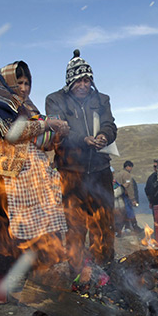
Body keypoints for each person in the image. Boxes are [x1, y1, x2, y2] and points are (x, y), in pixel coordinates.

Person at [0, 60, 69, 273]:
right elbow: (10, 133)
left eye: (27, 83)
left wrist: (56, 132)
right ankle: (6, 277)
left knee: (37, 224)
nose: (24, 88)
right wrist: (46, 125)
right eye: (19, 83)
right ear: (7, 84)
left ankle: (38, 271)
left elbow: (40, 140)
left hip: (28, 177)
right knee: (2, 228)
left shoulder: (26, 107)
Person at [45, 50, 117, 270]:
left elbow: (110, 124)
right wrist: (84, 140)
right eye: (79, 80)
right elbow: (59, 133)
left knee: (103, 224)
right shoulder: (54, 100)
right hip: (71, 172)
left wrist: (104, 136)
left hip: (100, 171)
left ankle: (104, 270)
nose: (84, 85)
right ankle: (77, 271)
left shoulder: (101, 99)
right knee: (75, 226)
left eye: (87, 80)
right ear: (70, 80)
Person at [114, 161, 144, 235]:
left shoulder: (117, 174)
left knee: (122, 213)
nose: (131, 169)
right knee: (129, 212)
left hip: (118, 197)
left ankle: (125, 229)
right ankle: (135, 227)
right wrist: (133, 199)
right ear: (128, 167)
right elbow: (129, 187)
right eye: (131, 167)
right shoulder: (127, 175)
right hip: (125, 197)